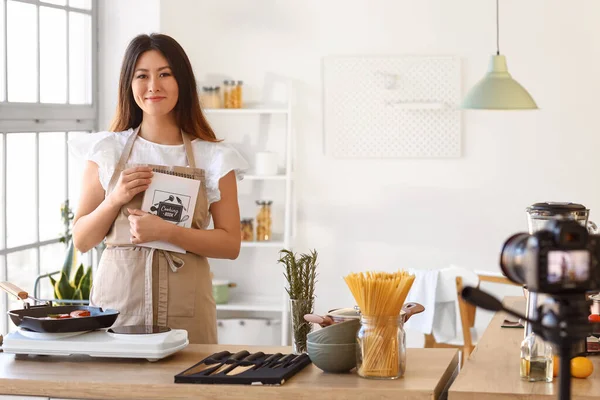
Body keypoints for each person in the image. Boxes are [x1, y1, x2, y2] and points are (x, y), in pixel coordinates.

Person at [69, 33, 248, 344]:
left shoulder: (215, 157)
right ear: (129, 83)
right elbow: (82, 240)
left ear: (183, 82)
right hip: (117, 309)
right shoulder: (106, 151)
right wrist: (116, 199)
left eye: (165, 74)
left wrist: (165, 232)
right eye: (142, 76)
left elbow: (230, 244)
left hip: (188, 311)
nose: (153, 86)